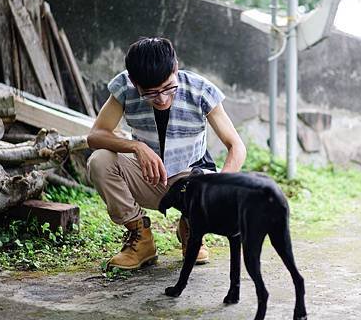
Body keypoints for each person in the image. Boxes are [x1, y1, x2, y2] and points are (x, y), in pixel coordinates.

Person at [86, 37, 246, 270]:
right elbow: (95, 136)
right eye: (150, 93)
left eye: (168, 88)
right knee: (100, 160)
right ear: (134, 81)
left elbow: (236, 146)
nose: (161, 99)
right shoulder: (123, 86)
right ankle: (141, 238)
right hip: (149, 176)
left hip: (190, 178)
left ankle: (193, 229)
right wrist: (137, 147)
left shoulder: (200, 90)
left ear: (176, 69)